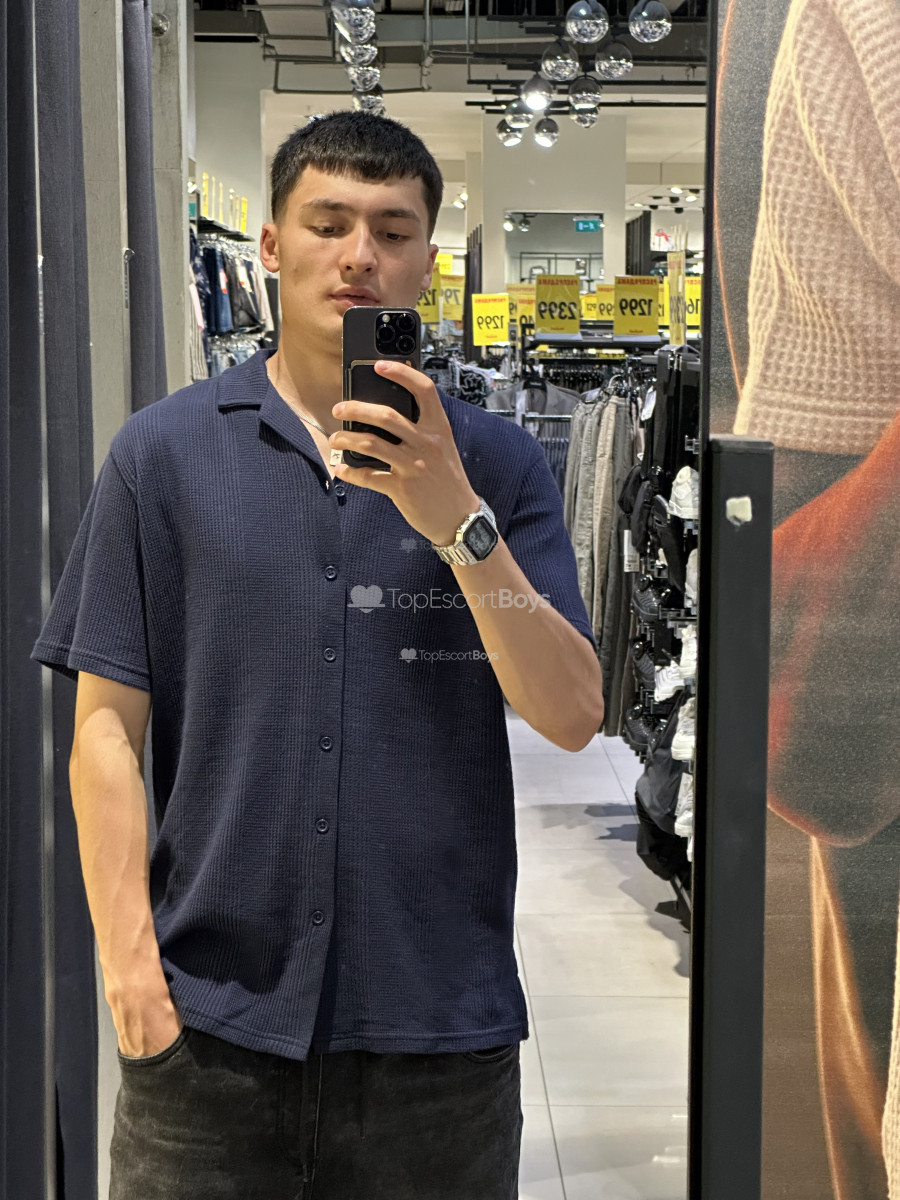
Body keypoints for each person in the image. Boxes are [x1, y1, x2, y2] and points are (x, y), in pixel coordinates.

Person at [31, 111, 605, 1199]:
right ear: (271, 246)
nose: (359, 256)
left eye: (393, 231)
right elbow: (105, 728)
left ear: (427, 262)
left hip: (437, 1037)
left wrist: (459, 524)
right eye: (329, 223)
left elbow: (573, 714)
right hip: (206, 1033)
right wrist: (131, 978)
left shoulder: (497, 464)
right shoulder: (163, 455)